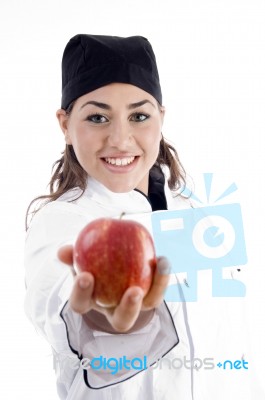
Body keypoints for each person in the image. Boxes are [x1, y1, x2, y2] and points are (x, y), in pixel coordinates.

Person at [24, 34, 256, 400]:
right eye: (98, 117)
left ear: (160, 118)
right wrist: (102, 319)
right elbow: (64, 309)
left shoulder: (199, 211)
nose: (120, 138)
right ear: (65, 125)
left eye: (139, 116)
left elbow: (240, 335)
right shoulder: (61, 223)